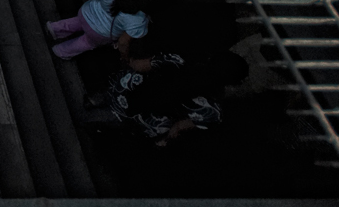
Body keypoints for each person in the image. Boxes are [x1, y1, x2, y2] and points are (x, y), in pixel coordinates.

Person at [99, 44, 249, 146]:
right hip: (143, 120)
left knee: (131, 75)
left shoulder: (179, 59)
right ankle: (111, 130)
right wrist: (163, 142)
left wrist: (127, 60)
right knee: (157, 128)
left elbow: (138, 65)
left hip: (123, 94)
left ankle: (97, 99)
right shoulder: (213, 111)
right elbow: (178, 128)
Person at [45, 0, 153, 60]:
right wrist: (125, 57)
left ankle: (54, 29)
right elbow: (123, 41)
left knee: (76, 22)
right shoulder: (140, 22)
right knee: (85, 42)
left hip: (85, 12)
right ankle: (61, 51)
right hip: (99, 34)